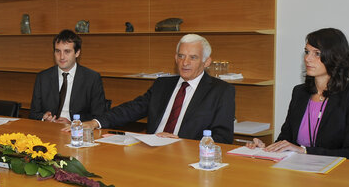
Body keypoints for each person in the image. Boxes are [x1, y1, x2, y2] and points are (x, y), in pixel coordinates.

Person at [77, 34, 236, 144]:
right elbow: (132, 109)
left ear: (207, 61)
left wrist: (181, 142)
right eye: (181, 56)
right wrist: (95, 122)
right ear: (175, 58)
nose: (185, 62)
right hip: (151, 150)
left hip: (188, 158)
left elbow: (223, 138)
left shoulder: (221, 91)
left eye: (193, 57)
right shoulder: (163, 84)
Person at [250, 28, 349, 160]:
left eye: (317, 53)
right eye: (307, 52)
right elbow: (285, 140)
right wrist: (265, 149)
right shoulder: (299, 92)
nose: (308, 58)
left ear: (335, 56)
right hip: (296, 171)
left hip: (336, 174)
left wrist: (304, 151)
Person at [29, 29, 107, 123]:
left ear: (77, 53)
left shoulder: (92, 78)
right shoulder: (42, 77)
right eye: (58, 51)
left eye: (67, 51)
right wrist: (43, 118)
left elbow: (99, 117)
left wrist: (73, 124)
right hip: (49, 130)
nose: (61, 57)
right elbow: (33, 114)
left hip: (77, 133)